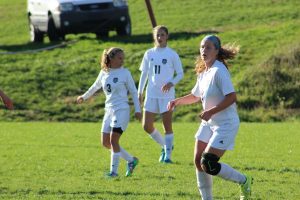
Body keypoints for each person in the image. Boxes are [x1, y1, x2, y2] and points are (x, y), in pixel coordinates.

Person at [167, 35, 252, 200]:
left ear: (216, 51)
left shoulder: (219, 71)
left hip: (225, 124)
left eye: (208, 47)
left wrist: (211, 111)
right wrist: (176, 102)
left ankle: (244, 180)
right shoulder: (204, 72)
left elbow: (232, 97)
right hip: (209, 122)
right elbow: (195, 95)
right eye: (202, 47)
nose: (203, 50)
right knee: (198, 160)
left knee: (209, 164)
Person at [77, 47, 142, 177]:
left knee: (113, 140)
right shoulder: (104, 72)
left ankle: (113, 172)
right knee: (105, 142)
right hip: (109, 110)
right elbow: (95, 86)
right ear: (111, 58)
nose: (122, 61)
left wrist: (138, 110)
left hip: (121, 110)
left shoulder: (125, 73)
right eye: (119, 58)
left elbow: (134, 92)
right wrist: (83, 97)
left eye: (123, 58)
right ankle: (131, 160)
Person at [138, 25, 184, 163]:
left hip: (167, 95)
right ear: (154, 37)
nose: (160, 38)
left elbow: (180, 74)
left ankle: (168, 157)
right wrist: (139, 91)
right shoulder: (149, 53)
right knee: (146, 126)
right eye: (157, 35)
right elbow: (144, 74)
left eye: (162, 35)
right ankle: (165, 146)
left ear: (167, 36)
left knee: (167, 126)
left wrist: (171, 83)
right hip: (151, 94)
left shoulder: (172, 54)